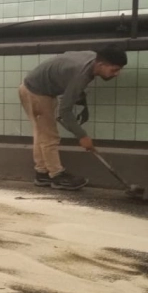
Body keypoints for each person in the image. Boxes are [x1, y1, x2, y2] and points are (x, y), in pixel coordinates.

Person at [19, 46, 128, 190]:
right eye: (114, 69)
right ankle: (57, 175)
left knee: (42, 133)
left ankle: (42, 174)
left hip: (39, 89)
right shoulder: (80, 74)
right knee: (49, 136)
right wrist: (82, 136)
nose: (117, 74)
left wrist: (77, 93)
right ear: (101, 65)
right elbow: (65, 112)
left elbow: (66, 57)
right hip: (36, 92)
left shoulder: (92, 59)